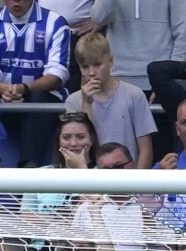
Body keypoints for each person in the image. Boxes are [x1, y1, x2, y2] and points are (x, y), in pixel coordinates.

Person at [0, 0, 70, 168]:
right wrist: (3, 89)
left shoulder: (56, 23)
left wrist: (25, 88)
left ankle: (30, 167)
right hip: (4, 96)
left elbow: (57, 75)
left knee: (39, 99)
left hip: (40, 99)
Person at [90, 0, 186, 92]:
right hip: (117, 79)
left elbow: (184, 34)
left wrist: (172, 77)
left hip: (161, 79)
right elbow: (99, 17)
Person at [64, 31, 154, 166]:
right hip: (90, 176)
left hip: (127, 176)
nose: (92, 73)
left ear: (111, 61)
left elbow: (146, 149)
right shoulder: (73, 101)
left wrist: (137, 185)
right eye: (85, 67)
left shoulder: (134, 95)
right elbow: (79, 150)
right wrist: (86, 104)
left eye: (97, 64)